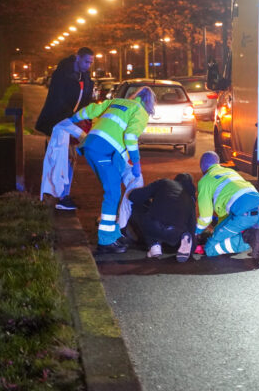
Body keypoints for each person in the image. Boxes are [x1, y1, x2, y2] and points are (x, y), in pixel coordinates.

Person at [66, 86, 156, 254]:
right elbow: (130, 137)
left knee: (113, 190)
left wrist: (72, 119)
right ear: (150, 104)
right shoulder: (140, 112)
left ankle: (113, 233)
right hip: (104, 150)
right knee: (113, 193)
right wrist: (136, 163)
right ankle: (105, 241)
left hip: (92, 146)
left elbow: (92, 110)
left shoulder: (117, 101)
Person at [36, 47, 95, 210]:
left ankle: (62, 195)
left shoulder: (85, 76)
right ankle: (55, 195)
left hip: (71, 122)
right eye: (86, 61)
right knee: (57, 158)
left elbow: (86, 99)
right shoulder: (62, 74)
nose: (88, 65)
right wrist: (73, 118)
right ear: (77, 58)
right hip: (59, 122)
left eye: (91, 62)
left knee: (69, 159)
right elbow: (57, 99)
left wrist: (83, 117)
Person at [196, 151, 259, 263]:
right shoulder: (229, 171)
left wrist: (196, 232)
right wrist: (217, 226)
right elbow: (225, 214)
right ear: (217, 163)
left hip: (243, 215)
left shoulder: (205, 181)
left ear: (202, 168)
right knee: (218, 231)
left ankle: (247, 239)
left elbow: (205, 218)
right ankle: (252, 233)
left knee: (210, 248)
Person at [127, 173, 196, 261]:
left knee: (137, 206)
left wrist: (133, 193)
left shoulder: (165, 183)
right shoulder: (190, 200)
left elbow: (136, 196)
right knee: (183, 225)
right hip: (174, 235)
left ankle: (154, 244)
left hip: (153, 228)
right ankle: (182, 243)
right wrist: (192, 248)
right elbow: (192, 226)